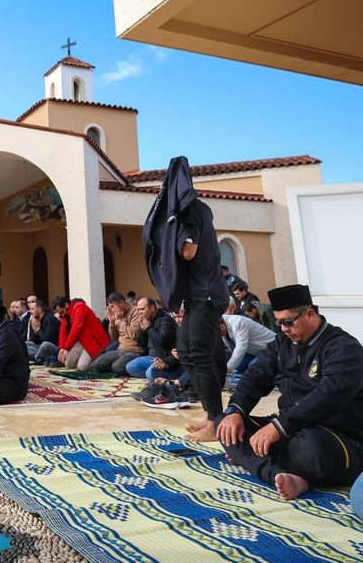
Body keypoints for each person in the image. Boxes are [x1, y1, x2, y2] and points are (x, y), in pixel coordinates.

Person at [216, 284, 363, 501]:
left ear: (310, 314)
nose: (283, 329)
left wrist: (280, 427)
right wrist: (236, 409)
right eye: (279, 322)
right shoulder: (281, 344)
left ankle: (256, 457)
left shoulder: (343, 347)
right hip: (291, 429)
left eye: (288, 322)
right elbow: (254, 377)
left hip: (336, 436)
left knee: (308, 448)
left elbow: (329, 395)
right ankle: (281, 475)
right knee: (226, 425)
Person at [143, 156, 231, 442]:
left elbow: (189, 250)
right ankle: (210, 415)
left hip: (206, 294)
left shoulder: (191, 210)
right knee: (188, 352)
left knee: (200, 356)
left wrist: (169, 247)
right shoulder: (190, 210)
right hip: (197, 297)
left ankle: (217, 421)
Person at [126, 297, 180, 380]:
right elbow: (141, 343)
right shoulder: (147, 320)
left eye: (142, 309)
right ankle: (156, 375)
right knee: (130, 367)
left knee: (149, 374)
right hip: (150, 357)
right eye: (138, 310)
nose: (140, 312)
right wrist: (142, 330)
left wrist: (148, 327)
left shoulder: (165, 320)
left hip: (164, 357)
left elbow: (162, 341)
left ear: (152, 308)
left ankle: (158, 375)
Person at [92, 293, 144, 374]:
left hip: (135, 351)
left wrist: (120, 319)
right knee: (96, 364)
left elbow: (133, 334)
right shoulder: (117, 314)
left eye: (113, 306)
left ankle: (124, 367)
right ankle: (118, 366)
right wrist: (112, 323)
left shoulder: (135, 311)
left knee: (117, 367)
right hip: (120, 350)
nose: (112, 310)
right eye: (110, 307)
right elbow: (114, 338)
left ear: (122, 303)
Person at [54, 296, 108, 371]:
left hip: (94, 340)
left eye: (62, 312)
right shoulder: (64, 314)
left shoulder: (80, 307)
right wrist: (62, 348)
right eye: (59, 313)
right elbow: (63, 331)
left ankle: (99, 360)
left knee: (82, 367)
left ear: (66, 305)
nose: (61, 315)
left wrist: (67, 348)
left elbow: (75, 329)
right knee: (68, 363)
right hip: (82, 341)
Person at [220, 312, 277, 377]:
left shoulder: (238, 322)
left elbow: (241, 347)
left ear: (221, 326)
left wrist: (228, 367)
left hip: (271, 348)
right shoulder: (220, 323)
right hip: (253, 351)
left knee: (253, 368)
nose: (219, 336)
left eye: (219, 333)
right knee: (237, 368)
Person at [27, 298, 61, 363]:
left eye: (32, 309)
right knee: (25, 343)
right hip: (41, 347)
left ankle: (35, 358)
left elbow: (47, 340)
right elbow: (35, 341)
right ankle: (38, 357)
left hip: (54, 347)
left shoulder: (50, 319)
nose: (30, 311)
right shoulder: (38, 319)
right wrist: (35, 330)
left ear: (39, 310)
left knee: (45, 345)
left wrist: (38, 329)